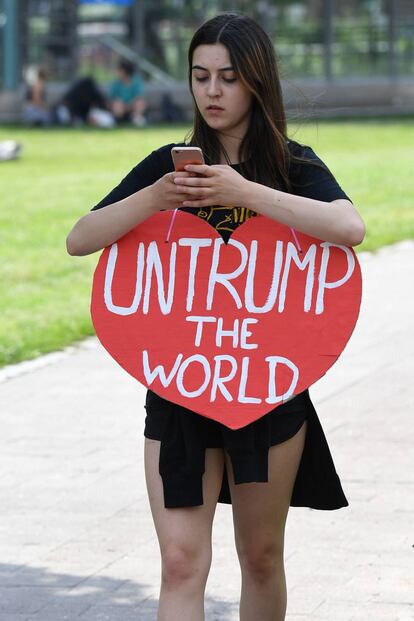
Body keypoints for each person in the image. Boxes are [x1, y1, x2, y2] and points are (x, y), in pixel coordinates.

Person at [66, 13, 365, 621]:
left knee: (260, 556)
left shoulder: (291, 163)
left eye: (228, 77)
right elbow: (79, 239)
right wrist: (157, 195)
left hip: (268, 385)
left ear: (256, 82)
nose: (213, 91)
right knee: (180, 561)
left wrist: (245, 191)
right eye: (201, 76)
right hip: (181, 384)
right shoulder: (169, 166)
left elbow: (348, 227)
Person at [108, 58, 147, 127]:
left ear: (125, 71)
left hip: (132, 105)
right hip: (121, 106)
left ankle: (137, 119)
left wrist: (130, 105)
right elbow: (113, 98)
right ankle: (118, 120)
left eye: (119, 70)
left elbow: (139, 96)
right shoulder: (116, 83)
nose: (117, 73)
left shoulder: (136, 81)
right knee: (117, 103)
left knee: (140, 102)